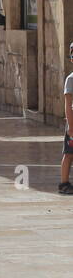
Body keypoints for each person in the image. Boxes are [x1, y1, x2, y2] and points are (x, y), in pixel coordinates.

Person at [61, 41, 73, 195]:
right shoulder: (71, 79)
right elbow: (68, 104)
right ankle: (63, 183)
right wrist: (71, 125)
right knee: (69, 154)